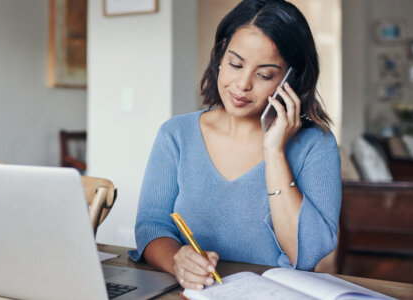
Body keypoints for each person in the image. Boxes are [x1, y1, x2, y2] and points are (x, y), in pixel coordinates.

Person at [128, 0, 341, 290]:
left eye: (264, 75)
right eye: (235, 63)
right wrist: (177, 260)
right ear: (220, 54)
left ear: (291, 79)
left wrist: (275, 152)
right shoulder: (176, 134)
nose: (242, 84)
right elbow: (152, 226)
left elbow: (304, 255)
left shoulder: (317, 146)